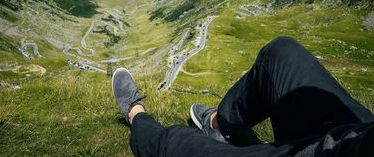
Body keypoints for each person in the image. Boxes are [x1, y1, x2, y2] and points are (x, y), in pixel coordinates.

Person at [112, 36, 374, 156]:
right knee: (281, 52)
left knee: (176, 142)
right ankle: (218, 124)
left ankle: (137, 114)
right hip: (357, 135)